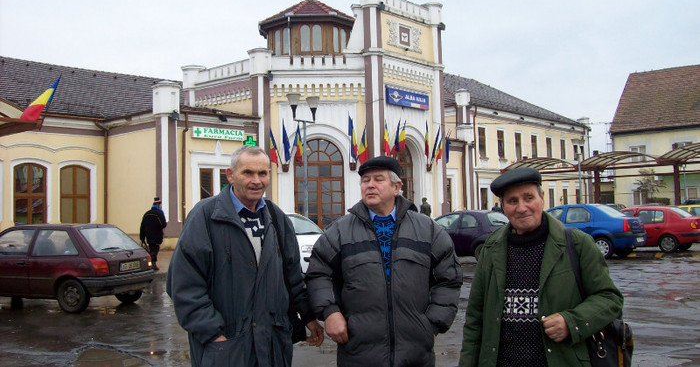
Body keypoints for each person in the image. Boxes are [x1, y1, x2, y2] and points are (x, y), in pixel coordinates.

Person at [166, 145, 324, 367]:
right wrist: (212, 333)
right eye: (248, 172)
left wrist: (308, 317)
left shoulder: (277, 219)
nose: (256, 180)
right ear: (230, 175)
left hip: (272, 346)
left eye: (263, 173)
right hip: (226, 347)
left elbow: (292, 278)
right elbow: (183, 285)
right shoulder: (206, 217)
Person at [306, 156, 463, 367]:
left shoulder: (428, 230)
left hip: (415, 355)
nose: (370, 185)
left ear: (396, 186)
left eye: (378, 179)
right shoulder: (340, 231)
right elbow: (318, 273)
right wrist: (330, 312)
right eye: (365, 180)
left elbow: (449, 280)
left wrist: (431, 324)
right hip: (358, 352)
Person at [459, 167, 624, 367]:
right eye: (512, 201)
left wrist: (572, 322)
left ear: (542, 198)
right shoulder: (491, 249)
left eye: (528, 198)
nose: (521, 208)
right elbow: (475, 320)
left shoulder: (578, 245)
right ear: (503, 207)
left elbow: (610, 298)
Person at [139, 196, 166, 270]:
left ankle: (151, 263)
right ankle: (153, 264)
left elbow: (142, 226)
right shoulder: (159, 213)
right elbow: (163, 224)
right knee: (155, 249)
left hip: (149, 236)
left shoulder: (147, 213)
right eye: (160, 204)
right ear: (158, 205)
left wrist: (142, 237)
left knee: (151, 248)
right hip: (157, 235)